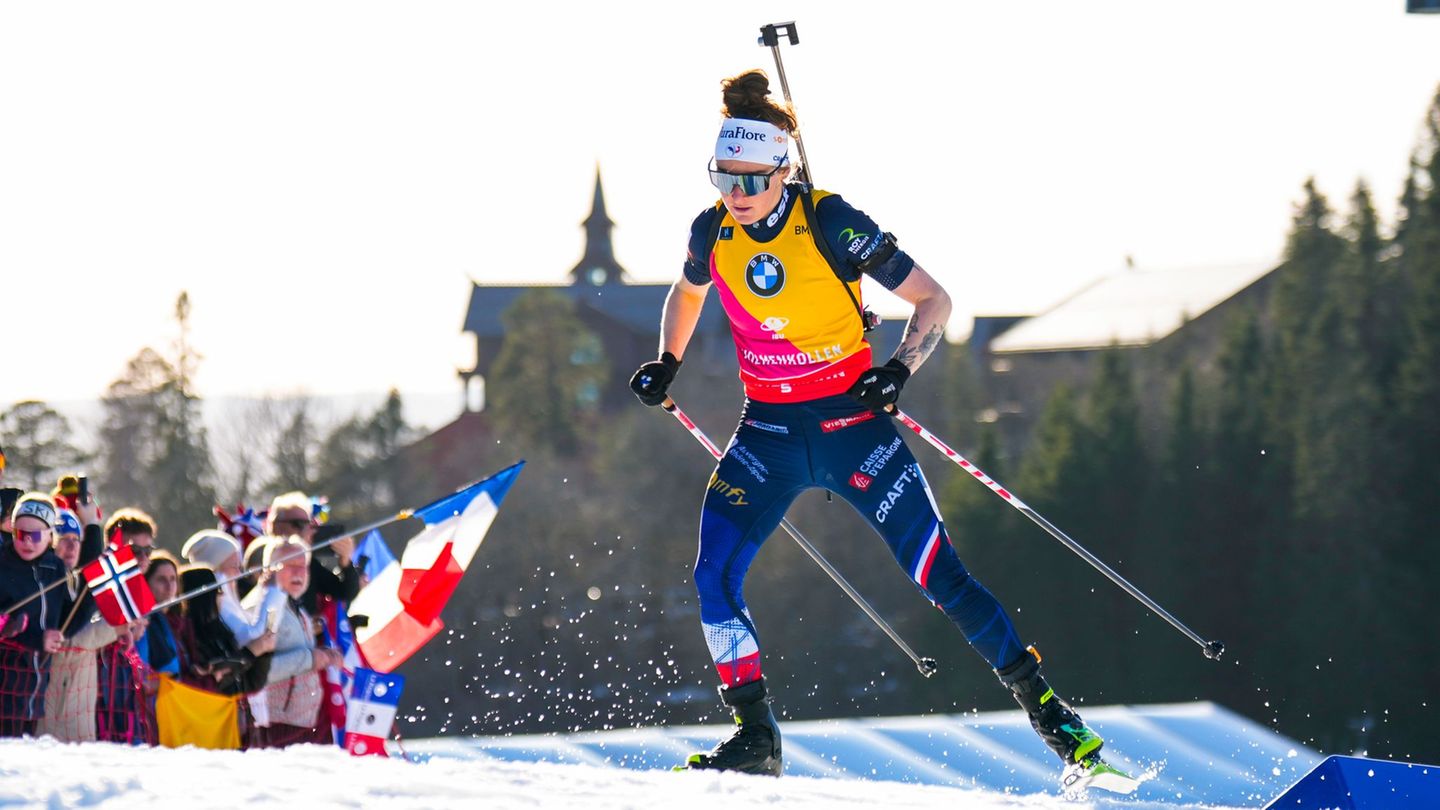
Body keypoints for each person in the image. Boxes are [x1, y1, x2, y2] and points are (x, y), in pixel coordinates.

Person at [628, 70, 1106, 777]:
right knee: (712, 577)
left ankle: (1054, 719)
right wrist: (665, 359)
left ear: (780, 170)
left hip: (855, 428)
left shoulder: (830, 219)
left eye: (750, 180)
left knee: (941, 576)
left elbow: (934, 300)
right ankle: (755, 736)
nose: (736, 194)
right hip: (768, 435)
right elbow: (687, 289)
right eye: (723, 177)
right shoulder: (713, 230)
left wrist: (901, 368)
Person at [0, 494, 99, 737]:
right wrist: (34, 637)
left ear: (49, 535)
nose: (26, 542)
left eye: (34, 535)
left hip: (34, 690)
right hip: (5, 685)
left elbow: (69, 620)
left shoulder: (54, 569)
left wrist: (93, 528)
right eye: (19, 534)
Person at [241, 536, 342, 747]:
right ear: (269, 569)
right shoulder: (260, 606)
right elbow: (254, 671)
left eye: (303, 566)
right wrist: (311, 659)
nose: (299, 572)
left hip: (302, 723)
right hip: (275, 726)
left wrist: (324, 655)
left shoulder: (294, 604)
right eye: (290, 565)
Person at [36, 508, 119, 742]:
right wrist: (116, 627)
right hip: (47, 712)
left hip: (77, 710)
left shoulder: (72, 582)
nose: (71, 547)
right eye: (64, 539)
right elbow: (68, 634)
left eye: (76, 540)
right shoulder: (44, 583)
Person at [178, 566, 274, 696]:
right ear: (205, 596)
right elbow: (219, 684)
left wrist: (264, 653)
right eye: (218, 589)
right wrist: (251, 652)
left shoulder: (220, 631)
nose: (222, 594)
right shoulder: (190, 638)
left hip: (237, 713)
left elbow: (250, 683)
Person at [265, 492, 359, 615]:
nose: (307, 530)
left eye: (308, 524)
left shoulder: (309, 562)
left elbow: (345, 592)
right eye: (298, 524)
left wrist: (345, 561)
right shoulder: (259, 554)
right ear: (275, 525)